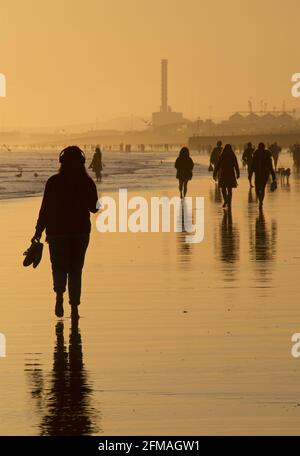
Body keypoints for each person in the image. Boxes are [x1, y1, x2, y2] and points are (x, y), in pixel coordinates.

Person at [31, 146, 99, 319]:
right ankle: (74, 307)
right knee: (76, 269)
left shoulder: (53, 182)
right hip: (80, 232)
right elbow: (94, 208)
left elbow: (45, 209)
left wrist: (38, 232)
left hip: (57, 232)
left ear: (62, 162)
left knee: (59, 266)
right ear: (82, 162)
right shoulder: (87, 182)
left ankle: (59, 295)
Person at [249, 142, 276, 208]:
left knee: (261, 188)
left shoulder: (263, 155)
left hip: (262, 174)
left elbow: (270, 166)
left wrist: (273, 175)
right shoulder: (257, 155)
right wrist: (250, 174)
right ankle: (260, 200)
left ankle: (260, 201)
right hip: (260, 174)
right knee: (258, 188)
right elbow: (253, 166)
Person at [213, 144, 240, 209]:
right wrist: (238, 173)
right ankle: (228, 202)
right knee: (229, 189)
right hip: (230, 173)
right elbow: (236, 165)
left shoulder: (223, 155)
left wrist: (214, 173)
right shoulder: (232, 155)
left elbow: (218, 165)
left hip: (224, 173)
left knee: (223, 189)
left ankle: (226, 201)